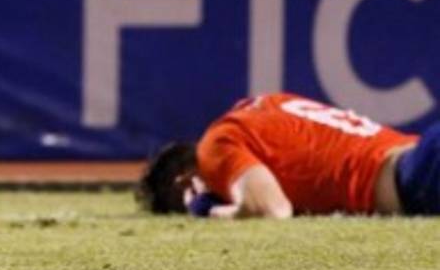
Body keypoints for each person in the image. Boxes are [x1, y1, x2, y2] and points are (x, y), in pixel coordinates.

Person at [136, 91, 440, 220]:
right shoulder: (263, 105)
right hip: (421, 155)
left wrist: (208, 210)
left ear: (185, 182)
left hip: (415, 181)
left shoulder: (214, 148)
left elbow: (272, 209)